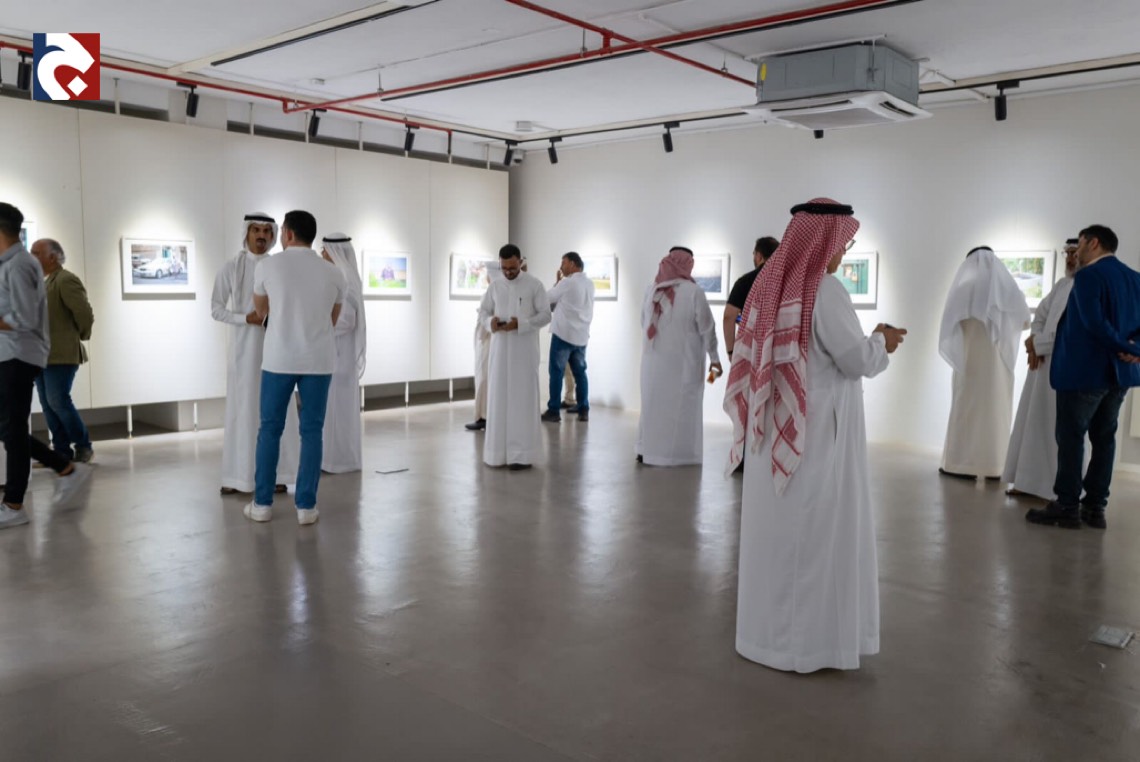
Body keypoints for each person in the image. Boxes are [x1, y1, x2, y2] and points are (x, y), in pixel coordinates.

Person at [725, 198, 906, 673]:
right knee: (813, 535)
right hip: (815, 433)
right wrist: (882, 341)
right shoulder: (825, 291)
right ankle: (805, 647)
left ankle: (764, 638)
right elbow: (856, 359)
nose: (842, 253)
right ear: (825, 242)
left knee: (777, 535)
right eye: (843, 244)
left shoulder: (769, 285)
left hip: (773, 430)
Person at [1027, 225, 1140, 530]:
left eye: (1078, 245)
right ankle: (1095, 507)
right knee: (1104, 438)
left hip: (1085, 372)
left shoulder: (1088, 276)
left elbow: (1093, 323)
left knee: (1071, 437)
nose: (1075, 252)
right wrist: (1135, 349)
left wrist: (1126, 346)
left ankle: (1067, 506)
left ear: (1093, 243)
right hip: (1120, 374)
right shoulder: (1135, 278)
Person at [245, 210, 345, 525]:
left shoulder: (267, 266)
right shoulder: (334, 273)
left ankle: (262, 504)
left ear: (287, 233)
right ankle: (306, 507)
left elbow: (261, 310)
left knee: (269, 429)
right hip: (318, 360)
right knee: (312, 432)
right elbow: (333, 318)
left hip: (279, 359)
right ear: (311, 236)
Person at [0, 202, 92, 530]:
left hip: (22, 356)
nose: (37, 255)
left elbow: (24, 318)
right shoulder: (14, 265)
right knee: (10, 428)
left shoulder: (21, 266)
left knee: (28, 420)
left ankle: (14, 503)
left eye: (41, 251)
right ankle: (64, 466)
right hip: (14, 355)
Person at [211, 212, 300, 496]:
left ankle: (277, 475)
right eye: (256, 230)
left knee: (275, 412)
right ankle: (238, 477)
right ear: (246, 233)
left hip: (277, 351)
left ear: (273, 235)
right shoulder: (231, 267)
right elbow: (216, 309)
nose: (261, 236)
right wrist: (244, 319)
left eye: (266, 231)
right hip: (243, 354)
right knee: (244, 412)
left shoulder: (279, 268)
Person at [938, 246, 1030, 480]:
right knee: (996, 413)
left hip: (969, 363)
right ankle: (995, 466)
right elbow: (1025, 322)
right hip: (998, 367)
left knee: (966, 410)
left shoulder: (963, 289)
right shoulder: (1009, 291)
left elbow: (949, 325)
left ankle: (960, 465)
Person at [1003, 239, 1082, 499]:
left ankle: (1056, 490)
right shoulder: (1061, 285)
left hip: (1067, 369)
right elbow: (1041, 317)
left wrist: (1037, 344)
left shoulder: (1087, 287)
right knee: (1034, 423)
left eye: (1075, 253)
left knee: (1058, 430)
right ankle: (1028, 482)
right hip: (1042, 368)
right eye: (1067, 253)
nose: (1070, 258)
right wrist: (1034, 340)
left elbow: (1072, 333)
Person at [636, 246, 721, 466]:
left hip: (653, 363)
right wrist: (715, 359)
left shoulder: (651, 290)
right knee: (682, 410)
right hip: (683, 364)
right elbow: (707, 328)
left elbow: (643, 323)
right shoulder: (694, 292)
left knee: (652, 406)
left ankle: (646, 450)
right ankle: (679, 456)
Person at [477, 244, 551, 470]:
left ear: (520, 262)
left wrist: (522, 324)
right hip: (500, 351)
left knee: (522, 401)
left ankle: (521, 455)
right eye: (504, 268)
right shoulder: (495, 286)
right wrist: (490, 323)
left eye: (512, 267)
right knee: (498, 399)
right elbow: (483, 312)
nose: (508, 272)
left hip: (524, 352)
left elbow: (546, 315)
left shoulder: (534, 285)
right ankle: (497, 454)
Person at [30, 238, 95, 463]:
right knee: (48, 405)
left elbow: (84, 313)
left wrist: (77, 337)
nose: (32, 256)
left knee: (58, 401)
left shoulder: (66, 280)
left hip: (61, 354)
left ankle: (83, 445)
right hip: (40, 355)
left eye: (36, 253)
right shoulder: (42, 282)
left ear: (53, 257)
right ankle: (61, 452)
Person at [319, 234, 366, 473]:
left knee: (339, 410)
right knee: (334, 409)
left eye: (325, 250)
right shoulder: (342, 276)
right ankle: (331, 458)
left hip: (340, 355)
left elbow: (346, 320)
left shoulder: (345, 278)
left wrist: (319, 326)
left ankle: (339, 461)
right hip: (335, 353)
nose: (322, 254)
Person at [542, 251, 595, 423]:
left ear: (572, 264)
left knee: (556, 373)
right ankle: (583, 409)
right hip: (581, 336)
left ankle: (553, 410)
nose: (561, 267)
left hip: (564, 335)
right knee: (580, 373)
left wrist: (557, 283)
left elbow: (547, 297)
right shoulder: (589, 284)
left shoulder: (567, 283)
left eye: (563, 263)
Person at [723, 236, 779, 361]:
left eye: (754, 254)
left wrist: (731, 352)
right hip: (778, 350)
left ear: (759, 256)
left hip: (750, 350)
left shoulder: (744, 282)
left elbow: (729, 316)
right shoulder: (787, 281)